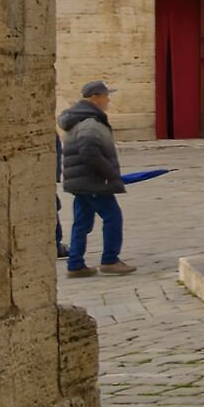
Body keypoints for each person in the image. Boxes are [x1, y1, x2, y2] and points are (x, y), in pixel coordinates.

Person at [59, 81, 133, 276]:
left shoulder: (80, 119)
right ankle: (110, 259)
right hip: (92, 182)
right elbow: (89, 152)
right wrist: (109, 174)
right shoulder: (90, 123)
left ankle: (76, 264)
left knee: (81, 222)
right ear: (94, 98)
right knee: (112, 217)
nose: (108, 100)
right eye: (105, 96)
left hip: (81, 181)